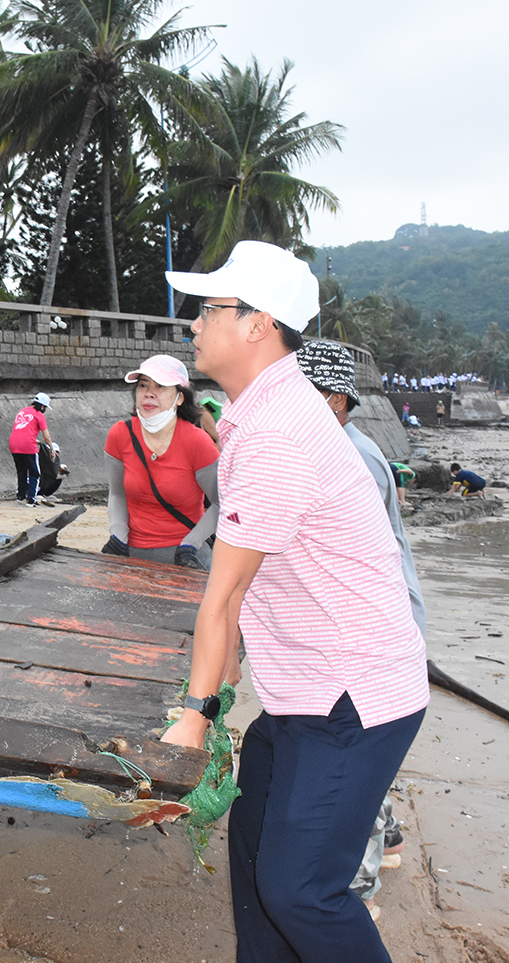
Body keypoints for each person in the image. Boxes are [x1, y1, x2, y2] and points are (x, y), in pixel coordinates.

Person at [159, 240, 428, 963]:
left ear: (257, 323)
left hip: (352, 695)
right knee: (254, 850)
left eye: (209, 309)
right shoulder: (262, 415)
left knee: (301, 888)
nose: (193, 323)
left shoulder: (277, 432)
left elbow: (225, 596)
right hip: (306, 686)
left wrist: (195, 716)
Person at [298, 340, 428, 919]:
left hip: (374, 629)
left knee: (352, 758)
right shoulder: (319, 448)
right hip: (352, 624)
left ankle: (359, 889)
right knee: (358, 750)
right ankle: (391, 835)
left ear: (337, 401)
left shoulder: (354, 459)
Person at [101, 354, 219, 571]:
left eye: (161, 386)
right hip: (132, 557)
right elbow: (117, 493)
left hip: (186, 557)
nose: (149, 393)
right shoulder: (120, 434)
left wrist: (191, 545)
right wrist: (118, 535)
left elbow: (220, 504)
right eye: (143, 385)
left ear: (180, 398)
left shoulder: (197, 441)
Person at [9, 392, 55, 507]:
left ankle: (20, 496)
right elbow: (46, 436)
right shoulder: (39, 415)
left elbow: (24, 430)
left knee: (21, 470)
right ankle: (31, 499)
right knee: (35, 472)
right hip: (28, 446)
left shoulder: (22, 411)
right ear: (43, 406)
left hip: (14, 444)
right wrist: (52, 449)